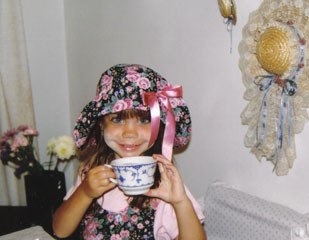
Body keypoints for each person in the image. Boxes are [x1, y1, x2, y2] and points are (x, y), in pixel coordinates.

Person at [52, 64, 206, 240]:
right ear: (101, 124)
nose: (130, 133)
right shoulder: (92, 174)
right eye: (117, 119)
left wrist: (180, 202)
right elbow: (60, 229)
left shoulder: (165, 184)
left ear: (160, 126)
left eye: (144, 120)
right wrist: (85, 192)